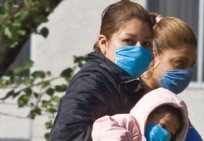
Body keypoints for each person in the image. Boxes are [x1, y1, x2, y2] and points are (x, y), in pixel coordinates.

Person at [49, 0, 154, 140]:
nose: (139, 49)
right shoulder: (93, 81)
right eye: (129, 41)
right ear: (104, 43)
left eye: (146, 43)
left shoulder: (128, 83)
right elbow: (65, 135)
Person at [140, 14, 203, 141]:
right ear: (153, 57)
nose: (187, 72)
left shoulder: (170, 104)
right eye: (180, 63)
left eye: (192, 65)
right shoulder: (128, 102)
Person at [92, 87, 189, 141]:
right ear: (149, 114)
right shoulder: (130, 123)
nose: (165, 135)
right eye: (163, 126)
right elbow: (102, 126)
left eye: (171, 134)